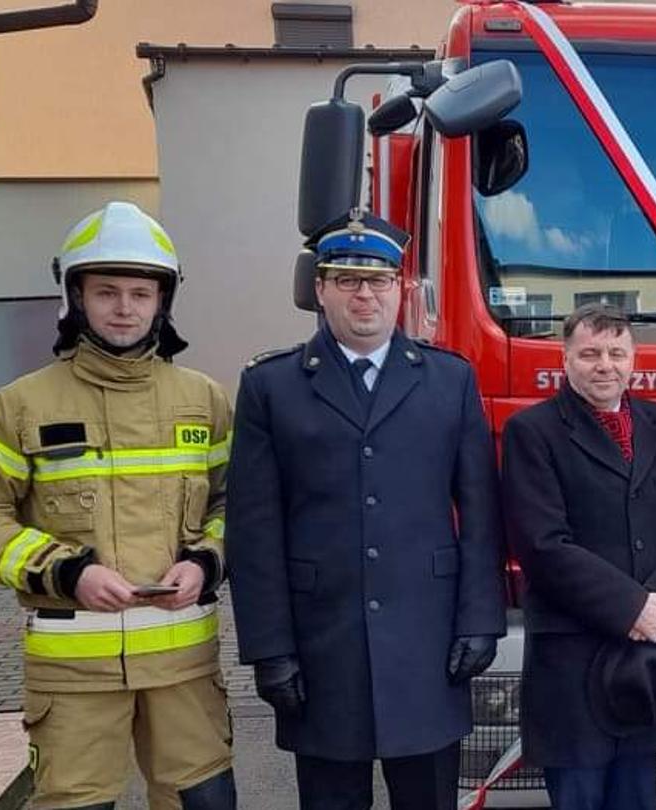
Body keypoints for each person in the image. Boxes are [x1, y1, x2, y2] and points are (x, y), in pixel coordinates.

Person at [0, 201, 236, 810]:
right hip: (71, 672)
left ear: (164, 301)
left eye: (140, 292)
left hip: (184, 666)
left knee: (205, 801)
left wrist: (206, 561)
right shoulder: (20, 405)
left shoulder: (204, 400)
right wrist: (67, 572)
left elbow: (238, 505)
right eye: (107, 292)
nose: (125, 308)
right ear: (76, 298)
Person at [226, 209, 506, 810]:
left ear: (400, 289)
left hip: (427, 645)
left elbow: (481, 514)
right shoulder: (271, 387)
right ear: (320, 290)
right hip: (322, 647)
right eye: (346, 280)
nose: (364, 295)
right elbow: (254, 531)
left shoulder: (448, 380)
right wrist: (269, 649)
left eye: (378, 280)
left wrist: (482, 619)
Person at [500, 302, 656, 810]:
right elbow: (542, 544)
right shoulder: (533, 432)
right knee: (579, 797)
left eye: (617, 353)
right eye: (591, 353)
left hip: (646, 654)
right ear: (566, 358)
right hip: (573, 657)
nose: (605, 365)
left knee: (638, 797)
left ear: (633, 360)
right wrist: (632, 608)